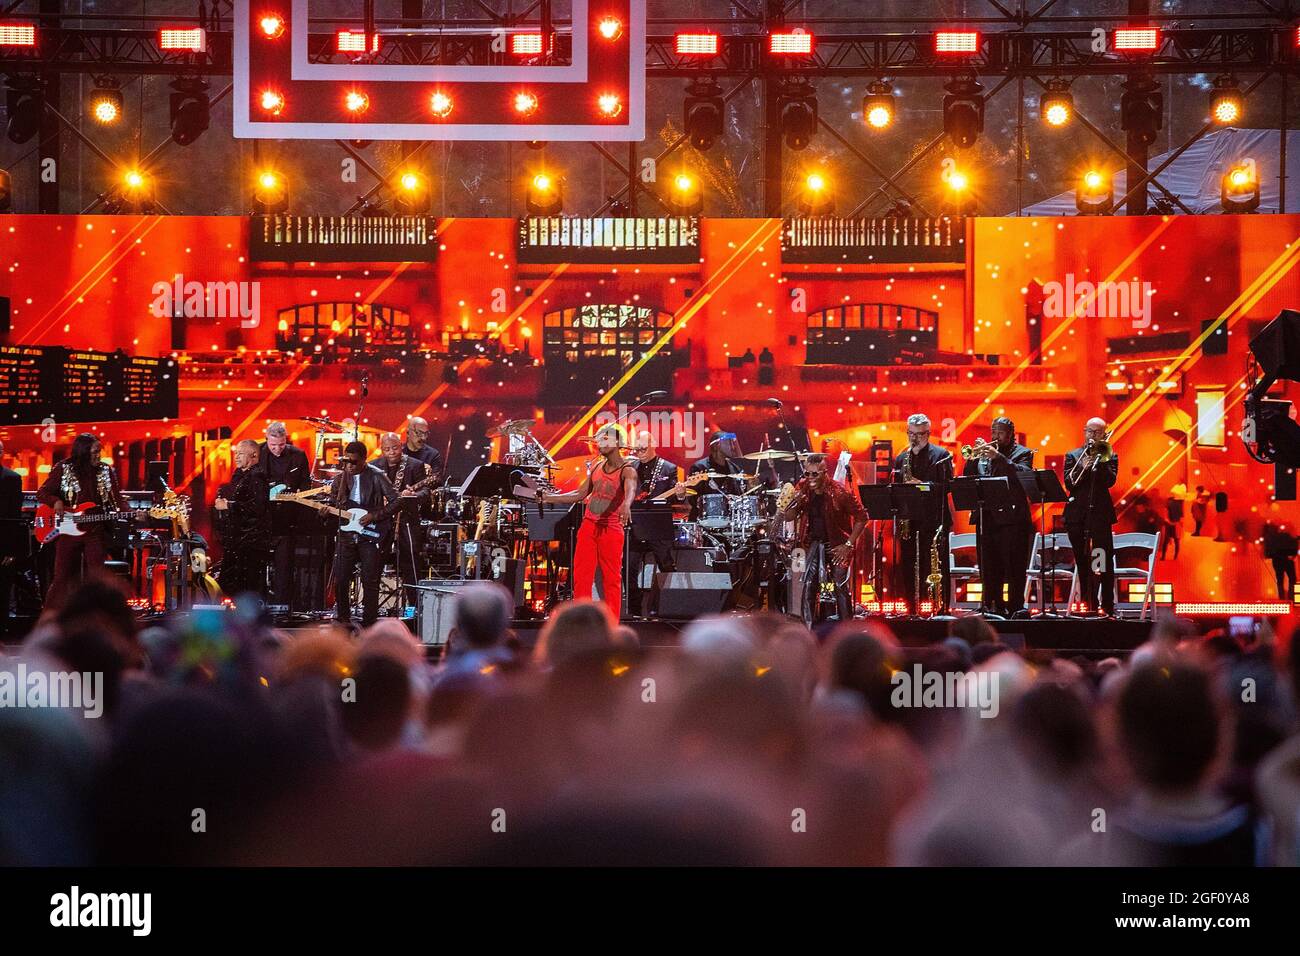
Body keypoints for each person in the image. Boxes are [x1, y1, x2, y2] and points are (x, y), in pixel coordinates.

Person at [539, 423, 637, 617]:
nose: (600, 443)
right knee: (581, 577)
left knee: (611, 580)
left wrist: (627, 504)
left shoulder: (627, 470)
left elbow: (631, 489)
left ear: (618, 442)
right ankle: (582, 623)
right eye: (598, 439)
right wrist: (548, 497)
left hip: (611, 528)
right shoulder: (597, 466)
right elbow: (579, 493)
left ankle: (612, 626)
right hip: (589, 527)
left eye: (605, 439)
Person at [36, 432, 126, 610]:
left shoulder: (106, 470)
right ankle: (50, 616)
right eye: (94, 452)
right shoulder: (63, 468)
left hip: (95, 531)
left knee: (97, 577)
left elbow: (118, 499)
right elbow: (42, 493)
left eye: (99, 451)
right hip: (69, 530)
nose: (98, 455)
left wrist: (132, 512)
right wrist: (56, 501)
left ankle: (97, 616)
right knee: (62, 577)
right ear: (83, 452)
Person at [776, 452, 867, 625]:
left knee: (840, 585)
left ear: (825, 473)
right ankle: (808, 631)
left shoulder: (839, 492)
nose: (810, 478)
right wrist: (789, 504)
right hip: (812, 543)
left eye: (814, 474)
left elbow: (862, 517)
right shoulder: (803, 487)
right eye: (807, 474)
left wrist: (848, 544)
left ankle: (846, 629)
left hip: (838, 543)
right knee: (808, 585)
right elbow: (789, 517)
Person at [961, 416, 1034, 617]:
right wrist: (972, 459)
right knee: (988, 566)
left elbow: (1022, 476)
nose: (996, 436)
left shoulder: (1023, 453)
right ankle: (990, 605)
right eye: (993, 432)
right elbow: (968, 479)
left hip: (1013, 520)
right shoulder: (984, 455)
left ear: (1010, 434)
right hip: (986, 518)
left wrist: (999, 458)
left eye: (1000, 432)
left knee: (1012, 567)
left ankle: (1014, 608)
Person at [329, 441, 399, 628]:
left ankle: (370, 623)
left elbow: (396, 501)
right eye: (346, 461)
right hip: (346, 535)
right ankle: (343, 619)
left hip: (370, 535)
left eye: (354, 462)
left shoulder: (377, 476)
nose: (349, 466)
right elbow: (334, 503)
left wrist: (374, 516)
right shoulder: (340, 479)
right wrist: (326, 511)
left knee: (370, 580)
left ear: (364, 460)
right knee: (341, 578)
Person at [891, 413, 954, 609]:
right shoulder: (902, 458)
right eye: (911, 433)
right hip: (909, 518)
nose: (914, 438)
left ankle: (940, 606)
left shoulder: (941, 455)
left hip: (934, 518)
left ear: (928, 434)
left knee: (935, 564)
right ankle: (911, 606)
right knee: (908, 564)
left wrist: (923, 485)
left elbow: (948, 486)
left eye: (918, 434)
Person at [1063, 417, 1119, 617]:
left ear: (1104, 434)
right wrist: (1082, 467)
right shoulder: (1073, 455)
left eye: (1097, 432)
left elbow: (1110, 481)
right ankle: (1090, 604)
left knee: (1102, 561)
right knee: (1083, 561)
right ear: (1084, 432)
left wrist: (1100, 461)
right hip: (1077, 516)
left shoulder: (1109, 455)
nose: (1092, 436)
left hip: (1100, 515)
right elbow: (1069, 484)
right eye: (1089, 431)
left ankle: (1108, 606)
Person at [256, 421, 312, 609]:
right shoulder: (257, 453)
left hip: (288, 518)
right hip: (261, 518)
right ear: (266, 440)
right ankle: (258, 605)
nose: (277, 449)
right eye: (273, 445)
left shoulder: (298, 455)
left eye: (281, 444)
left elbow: (305, 484)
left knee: (285, 565)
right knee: (258, 565)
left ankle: (282, 606)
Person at [372, 432, 432, 587]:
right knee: (373, 561)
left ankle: (414, 605)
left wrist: (413, 495)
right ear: (381, 449)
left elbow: (425, 492)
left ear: (401, 446)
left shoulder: (415, 465)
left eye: (395, 448)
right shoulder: (373, 466)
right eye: (387, 449)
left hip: (406, 520)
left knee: (410, 561)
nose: (391, 452)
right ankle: (369, 604)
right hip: (381, 519)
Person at [213, 439, 271, 599]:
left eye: (240, 453)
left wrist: (228, 506)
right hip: (238, 541)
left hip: (250, 543)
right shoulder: (241, 476)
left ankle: (248, 620)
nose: (236, 457)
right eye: (235, 453)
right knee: (228, 583)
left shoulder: (257, 477)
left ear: (253, 455)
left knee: (245, 588)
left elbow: (257, 508)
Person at [629, 430, 679, 616]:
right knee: (629, 566)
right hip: (635, 524)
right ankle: (634, 610)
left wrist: (680, 493)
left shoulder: (668, 468)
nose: (640, 451)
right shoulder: (630, 467)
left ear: (654, 445)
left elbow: (678, 498)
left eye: (644, 447)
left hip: (658, 524)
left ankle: (667, 607)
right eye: (637, 448)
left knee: (666, 564)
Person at [681, 430, 751, 519]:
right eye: (728, 443)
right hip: (704, 520)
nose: (732, 447)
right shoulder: (700, 467)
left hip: (729, 521)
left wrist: (750, 487)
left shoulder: (735, 469)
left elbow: (741, 496)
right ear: (717, 445)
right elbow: (692, 498)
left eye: (733, 444)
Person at [0, 441, 22, 637]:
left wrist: (11, 549)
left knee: (3, 588)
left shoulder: (12, 479)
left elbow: (14, 516)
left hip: (3, 541)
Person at [1262, 522, 1298, 601]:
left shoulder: (1273, 537)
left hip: (1277, 560)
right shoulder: (1289, 536)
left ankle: (1282, 598)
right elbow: (1294, 543)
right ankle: (1291, 597)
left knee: (1280, 579)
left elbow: (1268, 549)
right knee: (1292, 578)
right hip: (1287, 560)